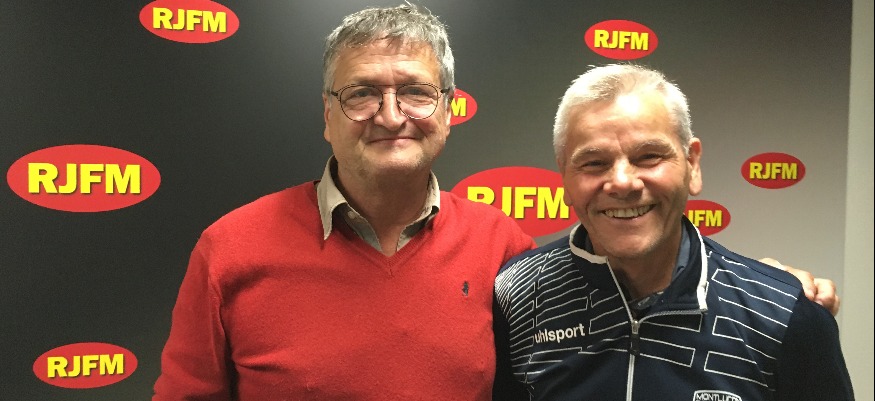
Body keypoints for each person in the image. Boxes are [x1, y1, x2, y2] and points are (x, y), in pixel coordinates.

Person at [153, 5, 840, 400]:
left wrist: (775, 293)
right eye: (361, 93)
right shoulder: (231, 249)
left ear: (448, 111)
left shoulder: (504, 255)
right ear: (327, 114)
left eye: (415, 92)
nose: (390, 114)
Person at [492, 64, 854, 400]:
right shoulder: (517, 297)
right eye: (594, 163)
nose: (623, 182)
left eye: (648, 156)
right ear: (565, 179)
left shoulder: (785, 315)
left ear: (692, 165)